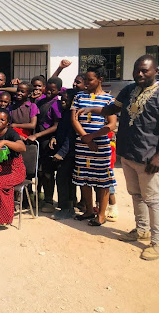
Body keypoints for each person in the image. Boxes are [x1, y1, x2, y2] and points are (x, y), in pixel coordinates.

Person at [77, 55, 159, 260]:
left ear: (155, 71)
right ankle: (142, 230)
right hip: (129, 152)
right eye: (136, 70)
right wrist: (94, 109)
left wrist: (158, 156)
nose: (139, 74)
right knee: (136, 194)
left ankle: (156, 242)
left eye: (144, 70)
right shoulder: (129, 90)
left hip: (150, 156)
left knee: (153, 200)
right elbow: (112, 108)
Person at [71, 56, 117, 226]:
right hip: (82, 145)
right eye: (85, 80)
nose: (87, 82)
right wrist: (85, 138)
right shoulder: (79, 97)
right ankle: (89, 210)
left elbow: (112, 124)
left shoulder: (109, 100)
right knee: (84, 178)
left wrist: (93, 137)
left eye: (90, 80)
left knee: (102, 180)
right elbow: (74, 119)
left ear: (100, 80)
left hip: (100, 146)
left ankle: (102, 214)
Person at [28, 77, 63, 212]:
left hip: (48, 141)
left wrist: (37, 135)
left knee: (48, 172)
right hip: (37, 141)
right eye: (47, 89)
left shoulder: (56, 104)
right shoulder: (40, 101)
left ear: (58, 91)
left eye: (52, 90)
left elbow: (56, 126)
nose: (48, 92)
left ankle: (48, 200)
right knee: (38, 170)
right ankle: (37, 196)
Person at [49, 91, 76, 220]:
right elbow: (61, 131)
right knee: (63, 179)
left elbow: (70, 136)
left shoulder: (73, 115)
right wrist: (54, 137)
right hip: (62, 150)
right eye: (62, 100)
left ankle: (67, 208)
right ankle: (65, 206)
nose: (63, 102)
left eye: (66, 100)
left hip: (69, 154)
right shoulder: (65, 113)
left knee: (63, 180)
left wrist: (62, 153)